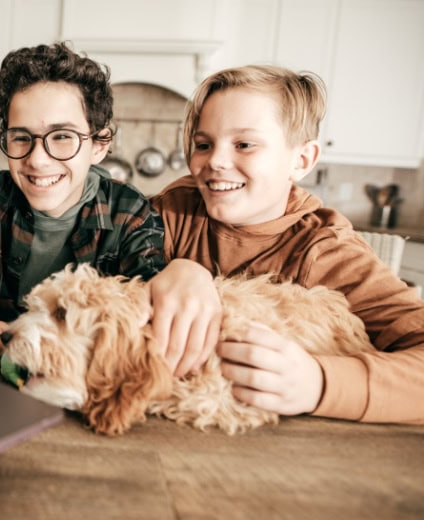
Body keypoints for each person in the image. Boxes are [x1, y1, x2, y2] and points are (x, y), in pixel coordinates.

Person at [0, 42, 220, 372]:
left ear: (100, 145)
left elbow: (148, 306)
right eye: (21, 137)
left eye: (61, 137)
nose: (37, 160)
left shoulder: (130, 215)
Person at [151, 64, 424, 424]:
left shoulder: (325, 250)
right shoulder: (174, 211)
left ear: (302, 160)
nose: (214, 161)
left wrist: (319, 384)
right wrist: (181, 268)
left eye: (244, 144)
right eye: (203, 144)